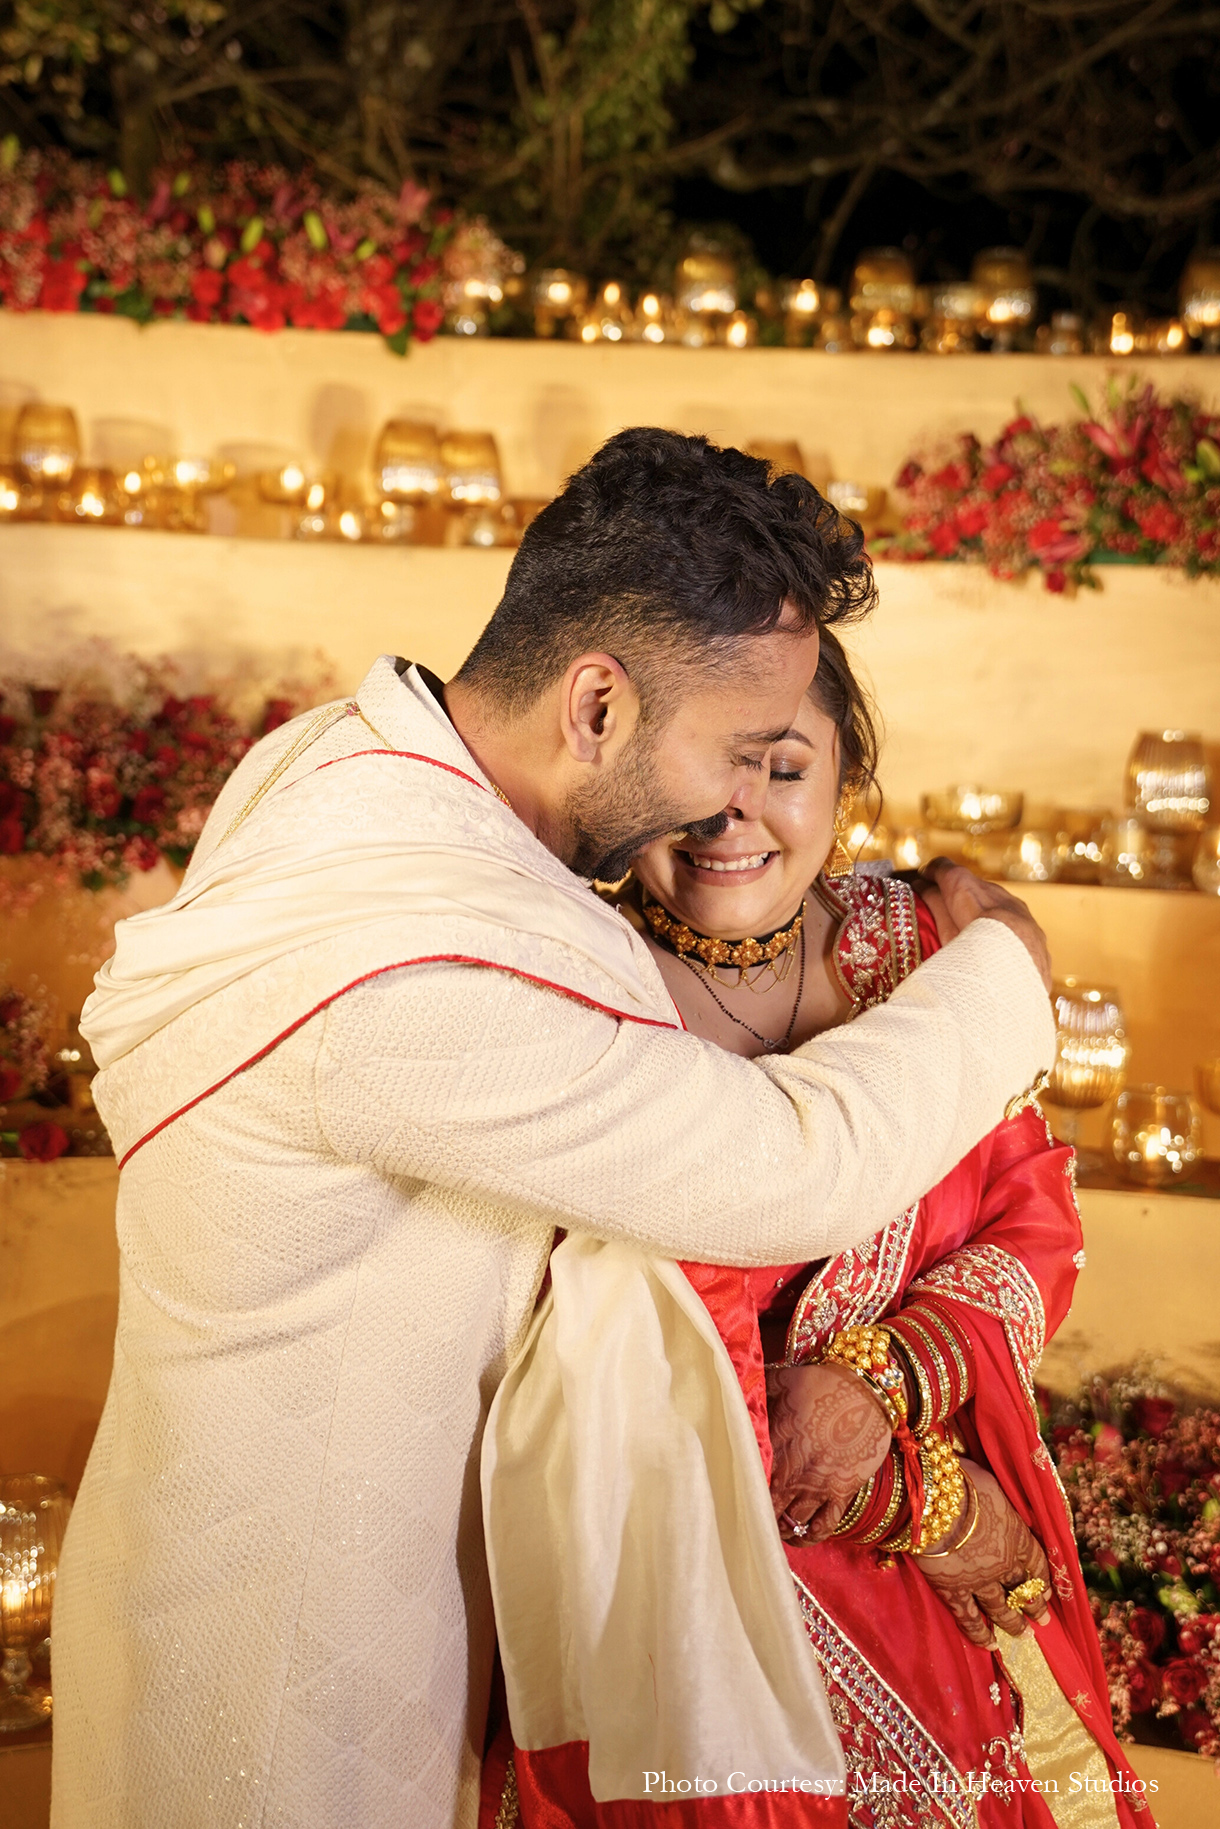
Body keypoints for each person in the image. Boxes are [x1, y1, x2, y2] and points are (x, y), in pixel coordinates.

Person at [53, 431, 1055, 1829]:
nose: (725, 807)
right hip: (292, 1691)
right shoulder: (416, 972)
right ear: (594, 702)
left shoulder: (344, 763)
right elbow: (788, 1169)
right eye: (728, 750)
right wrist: (1006, 968)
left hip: (324, 1593)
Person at [482, 629, 1152, 1829]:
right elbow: (553, 1351)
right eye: (695, 763)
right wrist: (910, 1500)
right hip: (672, 1602)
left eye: (781, 767)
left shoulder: (928, 957)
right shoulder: (565, 989)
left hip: (934, 1599)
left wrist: (882, 1382)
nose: (727, 814)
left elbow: (1030, 1219)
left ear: (848, 783)